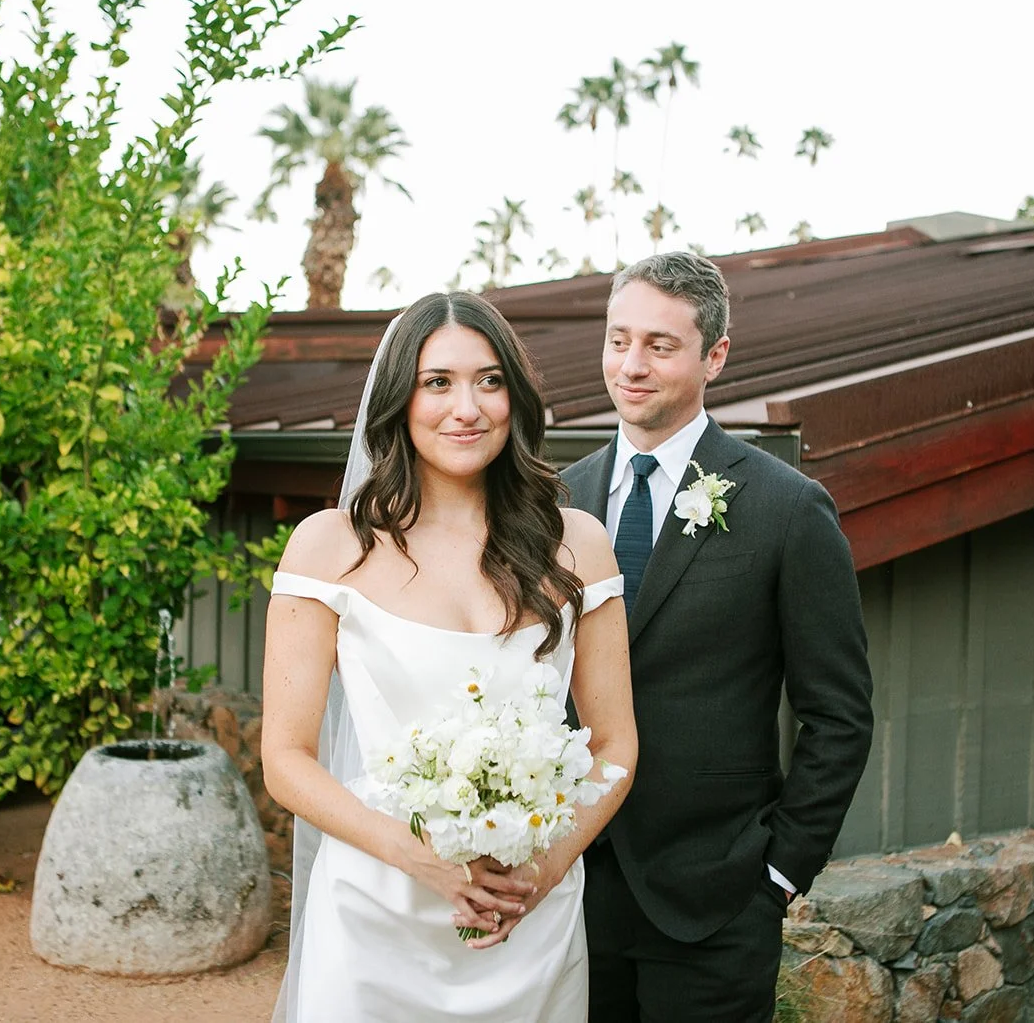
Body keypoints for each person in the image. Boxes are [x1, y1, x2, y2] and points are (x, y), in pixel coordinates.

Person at [261, 291, 637, 1022]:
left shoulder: (578, 544)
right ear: (400, 398)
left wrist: (543, 868)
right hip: (375, 914)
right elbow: (285, 757)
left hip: (527, 915)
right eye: (438, 382)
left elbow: (616, 743)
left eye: (489, 380)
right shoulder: (330, 546)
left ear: (515, 397)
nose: (467, 406)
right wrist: (420, 858)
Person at [561, 251, 874, 1022]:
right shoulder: (557, 503)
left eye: (660, 345)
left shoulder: (787, 508)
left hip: (716, 905)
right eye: (617, 339)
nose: (631, 365)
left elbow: (839, 715)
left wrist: (777, 876)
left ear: (715, 357)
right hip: (570, 893)